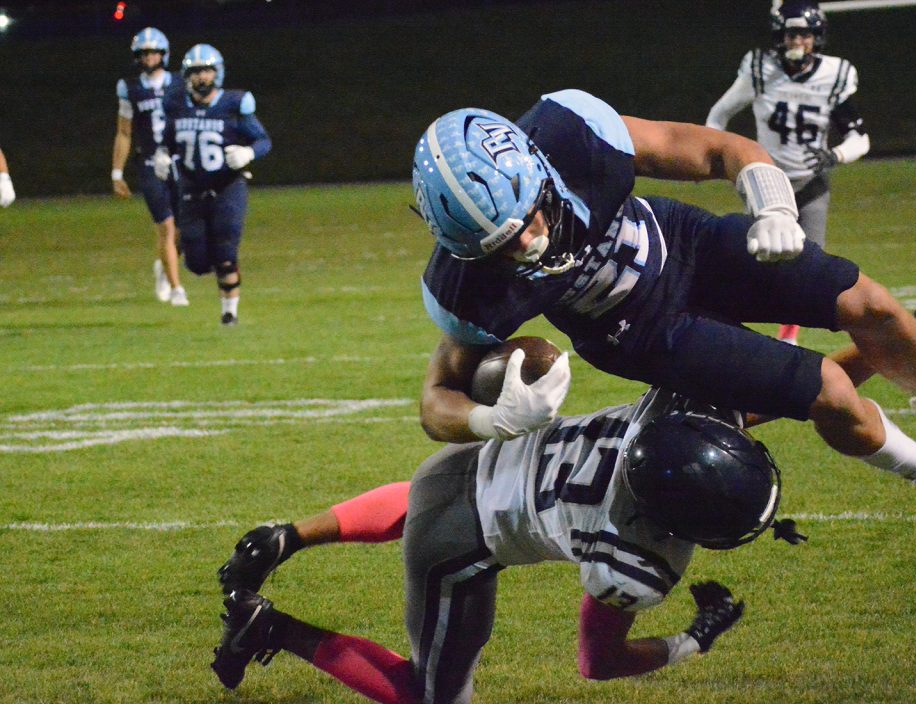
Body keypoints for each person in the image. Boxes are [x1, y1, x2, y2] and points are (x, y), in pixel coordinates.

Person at [411, 89, 916, 534]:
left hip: (686, 243)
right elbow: (436, 399)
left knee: (873, 307)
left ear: (535, 167)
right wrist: (491, 421)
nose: (526, 244)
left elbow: (716, 147)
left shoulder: (570, 133)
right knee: (830, 392)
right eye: (500, 245)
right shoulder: (466, 286)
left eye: (528, 219)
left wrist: (772, 204)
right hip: (640, 331)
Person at [211, 387, 796, 701]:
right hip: (456, 547)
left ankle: (284, 538)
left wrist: (858, 360)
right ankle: (270, 629)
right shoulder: (637, 563)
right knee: (432, 698)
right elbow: (598, 663)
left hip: (455, 464)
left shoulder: (670, 412)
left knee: (431, 496)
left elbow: (786, 394)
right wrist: (692, 641)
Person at [705, 0, 870, 344]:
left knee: (807, 263)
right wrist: (719, 156)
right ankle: (725, 322)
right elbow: (718, 116)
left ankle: (788, 336)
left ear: (817, 37)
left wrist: (835, 154)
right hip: (767, 182)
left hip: (810, 183)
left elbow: (860, 138)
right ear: (780, 35)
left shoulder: (832, 75)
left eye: (805, 34)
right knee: (753, 257)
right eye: (792, 33)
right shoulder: (760, 70)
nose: (798, 41)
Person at [154, 44, 271, 325]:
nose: (201, 78)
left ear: (217, 73)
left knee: (226, 253)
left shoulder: (234, 104)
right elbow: (167, 141)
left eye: (206, 71)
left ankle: (229, 314)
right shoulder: (176, 105)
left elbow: (263, 140)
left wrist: (248, 153)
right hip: (192, 187)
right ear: (186, 76)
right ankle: (170, 258)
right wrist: (161, 155)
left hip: (228, 187)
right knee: (197, 264)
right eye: (195, 72)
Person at [111, 27, 189, 306]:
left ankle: (163, 265)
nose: (148, 58)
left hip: (180, 163)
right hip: (149, 164)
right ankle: (177, 288)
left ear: (163, 54)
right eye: (143, 53)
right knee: (166, 227)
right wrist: (117, 172)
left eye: (153, 52)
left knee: (183, 229)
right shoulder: (130, 88)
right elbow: (124, 132)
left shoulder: (181, 84)